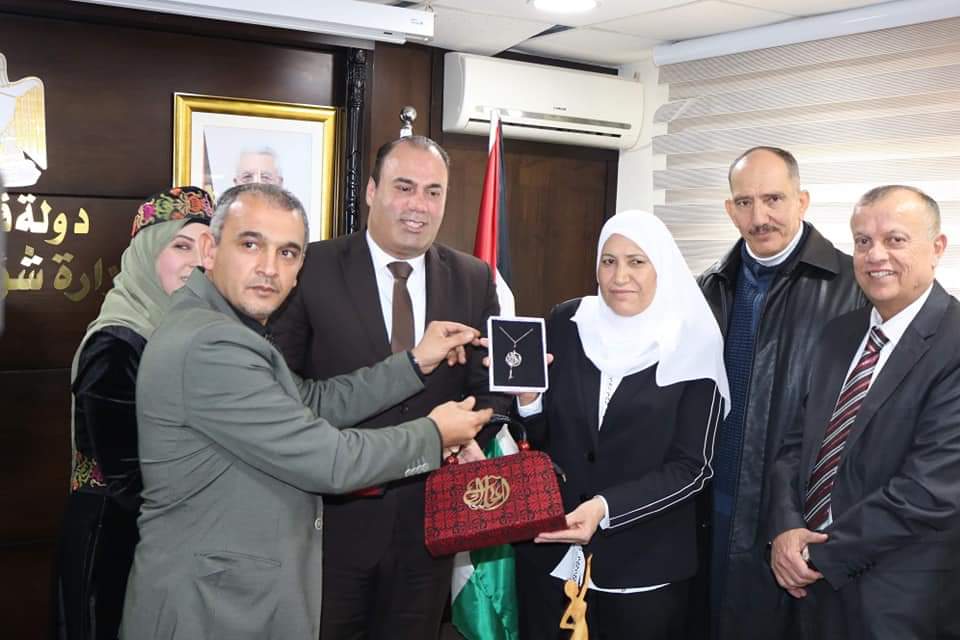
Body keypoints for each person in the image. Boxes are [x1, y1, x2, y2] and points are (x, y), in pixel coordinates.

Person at [119, 183, 492, 640]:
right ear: (210, 251)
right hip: (211, 607)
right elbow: (330, 461)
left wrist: (414, 363)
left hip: (230, 598)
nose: (269, 268)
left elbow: (312, 402)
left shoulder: (228, 328)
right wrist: (434, 435)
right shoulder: (211, 343)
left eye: (288, 253)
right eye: (250, 244)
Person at [270, 135, 510, 640]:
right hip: (332, 524)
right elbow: (284, 390)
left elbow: (488, 387)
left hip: (428, 527)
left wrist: (468, 433)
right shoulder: (311, 268)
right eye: (404, 187)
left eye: (433, 191)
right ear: (372, 191)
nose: (419, 205)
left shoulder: (472, 278)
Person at [513, 210, 730, 639]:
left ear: (661, 266)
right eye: (608, 261)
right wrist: (529, 403)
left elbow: (694, 467)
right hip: (554, 555)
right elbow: (543, 441)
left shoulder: (693, 341)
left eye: (636, 261)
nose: (619, 276)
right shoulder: (567, 322)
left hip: (643, 566)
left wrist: (605, 508)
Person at [769, 185, 960, 638]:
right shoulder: (839, 334)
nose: (875, 255)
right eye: (862, 241)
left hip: (899, 603)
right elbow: (795, 447)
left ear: (937, 248)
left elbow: (929, 489)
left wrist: (816, 554)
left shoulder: (954, 343)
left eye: (895, 240)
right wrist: (786, 529)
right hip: (809, 591)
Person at [697, 147, 865, 639]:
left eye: (773, 199)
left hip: (799, 519)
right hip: (711, 506)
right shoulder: (707, 288)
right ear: (730, 210)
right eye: (744, 202)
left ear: (802, 201)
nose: (759, 216)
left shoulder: (855, 286)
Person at [54, 186, 214, 640]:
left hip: (160, 535)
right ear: (146, 254)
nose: (197, 262)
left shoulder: (186, 333)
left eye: (206, 247)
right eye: (180, 245)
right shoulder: (116, 343)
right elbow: (127, 476)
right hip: (113, 540)